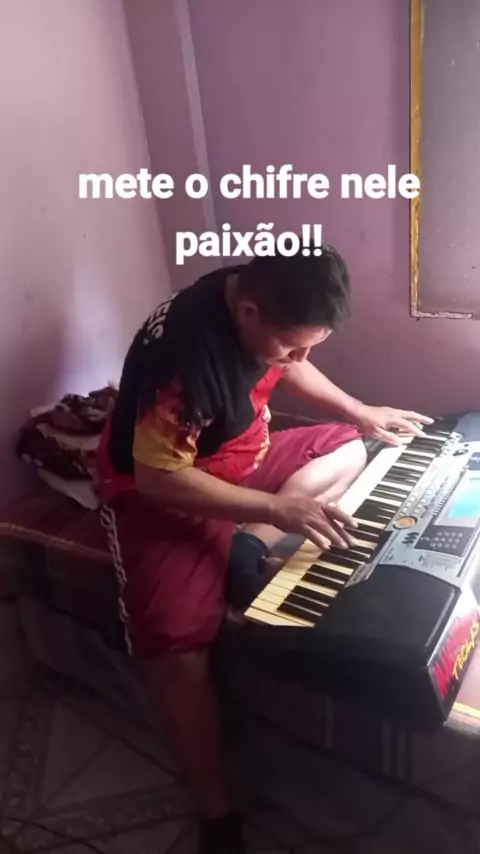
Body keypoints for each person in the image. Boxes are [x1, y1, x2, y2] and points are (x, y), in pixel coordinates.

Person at [96, 244, 433, 854]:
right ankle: (217, 812)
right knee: (173, 649)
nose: (299, 361)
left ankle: (248, 544)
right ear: (249, 312)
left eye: (310, 347)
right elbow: (157, 479)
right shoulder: (183, 365)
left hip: (239, 451)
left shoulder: (256, 291)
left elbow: (287, 368)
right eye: (291, 347)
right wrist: (278, 508)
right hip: (168, 485)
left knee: (350, 446)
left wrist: (360, 411)